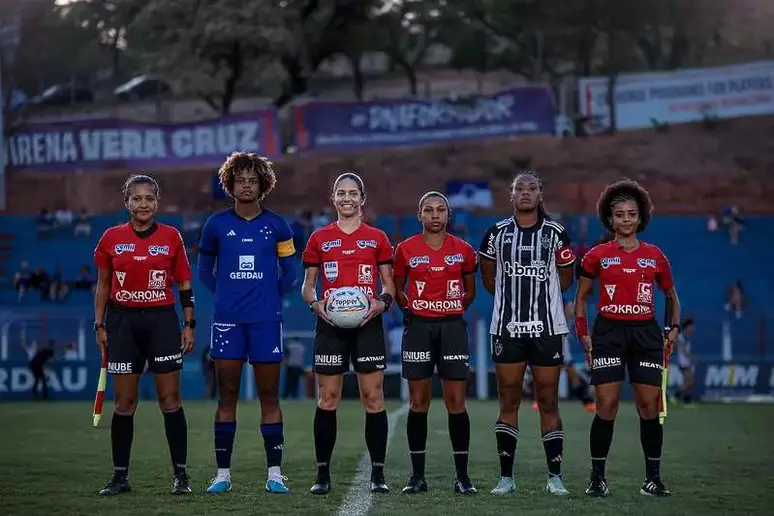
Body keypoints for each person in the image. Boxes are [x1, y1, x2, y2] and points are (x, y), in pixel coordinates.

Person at [197, 152, 298, 494]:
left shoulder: (279, 225)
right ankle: (222, 475)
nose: (246, 185)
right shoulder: (215, 225)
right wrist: (226, 295)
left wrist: (269, 296)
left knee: (270, 396)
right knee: (227, 397)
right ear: (229, 184)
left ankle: (275, 474)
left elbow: (291, 272)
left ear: (263, 184)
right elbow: (203, 271)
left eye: (252, 180)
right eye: (240, 180)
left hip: (266, 321)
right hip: (228, 321)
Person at [574, 179, 680, 498]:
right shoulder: (596, 255)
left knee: (648, 406)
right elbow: (581, 299)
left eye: (631, 214)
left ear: (640, 217)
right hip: (608, 332)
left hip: (645, 334)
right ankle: (597, 479)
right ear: (610, 219)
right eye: (619, 214)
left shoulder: (655, 256)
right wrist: (583, 333)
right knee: (606, 405)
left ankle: (652, 480)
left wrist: (673, 328)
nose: (626, 219)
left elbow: (671, 295)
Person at [93, 174, 196, 496]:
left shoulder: (171, 236)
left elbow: (184, 284)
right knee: (124, 403)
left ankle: (181, 476)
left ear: (157, 201)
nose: (143, 204)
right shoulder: (111, 238)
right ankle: (120, 477)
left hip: (161, 322)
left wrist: (189, 323)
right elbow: (103, 285)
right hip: (122, 323)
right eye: (136, 198)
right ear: (127, 202)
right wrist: (99, 325)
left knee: (170, 400)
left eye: (149, 198)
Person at [479, 171, 576, 496]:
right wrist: (511, 303)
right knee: (508, 400)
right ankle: (506, 478)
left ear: (540, 194)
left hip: (547, 329)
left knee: (548, 401)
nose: (525, 193)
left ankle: (555, 477)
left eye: (531, 188)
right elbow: (489, 279)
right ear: (511, 195)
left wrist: (542, 299)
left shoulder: (556, 233)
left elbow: (566, 279)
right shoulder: (496, 234)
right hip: (507, 329)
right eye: (519, 188)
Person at [301, 172, 396, 495]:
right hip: (330, 325)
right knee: (328, 398)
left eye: (353, 193)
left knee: (373, 397)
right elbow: (308, 285)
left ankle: (378, 474)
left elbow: (389, 285)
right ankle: (322, 475)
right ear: (333, 198)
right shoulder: (319, 239)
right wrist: (315, 304)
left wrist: (382, 303)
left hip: (368, 323)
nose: (347, 198)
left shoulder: (377, 238)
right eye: (341, 193)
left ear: (362, 199)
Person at [394, 192, 478, 495]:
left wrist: (449, 311)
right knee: (418, 401)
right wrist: (415, 311)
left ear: (448, 215)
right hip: (418, 328)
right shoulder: (405, 249)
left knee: (456, 402)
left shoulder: (464, 250)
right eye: (428, 210)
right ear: (420, 215)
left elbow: (470, 293)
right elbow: (398, 289)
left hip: (452, 328)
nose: (434, 215)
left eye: (440, 210)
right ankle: (417, 476)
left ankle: (462, 477)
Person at [675, 318, 695, 403]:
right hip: (683, 362)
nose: (693, 328)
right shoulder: (682, 336)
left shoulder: (685, 336)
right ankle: (676, 396)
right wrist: (692, 357)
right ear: (688, 326)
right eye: (692, 326)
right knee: (689, 381)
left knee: (687, 382)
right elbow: (684, 351)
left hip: (685, 362)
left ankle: (685, 398)